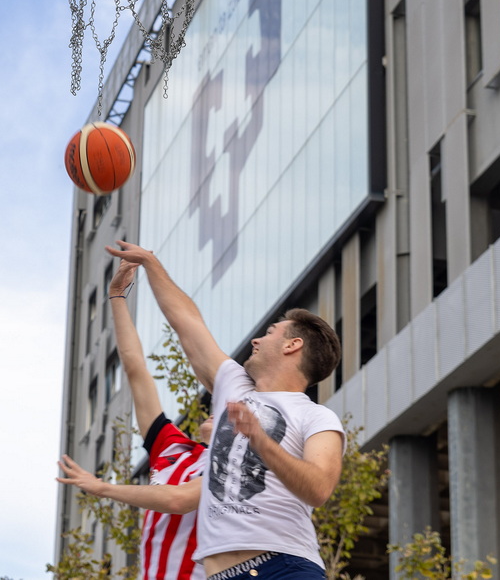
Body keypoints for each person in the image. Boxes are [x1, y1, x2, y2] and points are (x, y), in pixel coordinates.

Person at [106, 239, 344, 580]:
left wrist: (261, 441)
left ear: (293, 345)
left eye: (270, 333)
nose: (257, 340)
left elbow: (319, 489)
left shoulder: (317, 417)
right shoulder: (234, 384)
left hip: (283, 566)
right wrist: (149, 264)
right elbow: (186, 321)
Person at [57, 260, 213, 580]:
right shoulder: (173, 447)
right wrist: (117, 296)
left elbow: (177, 499)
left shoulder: (235, 463)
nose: (214, 410)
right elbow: (134, 367)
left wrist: (103, 488)